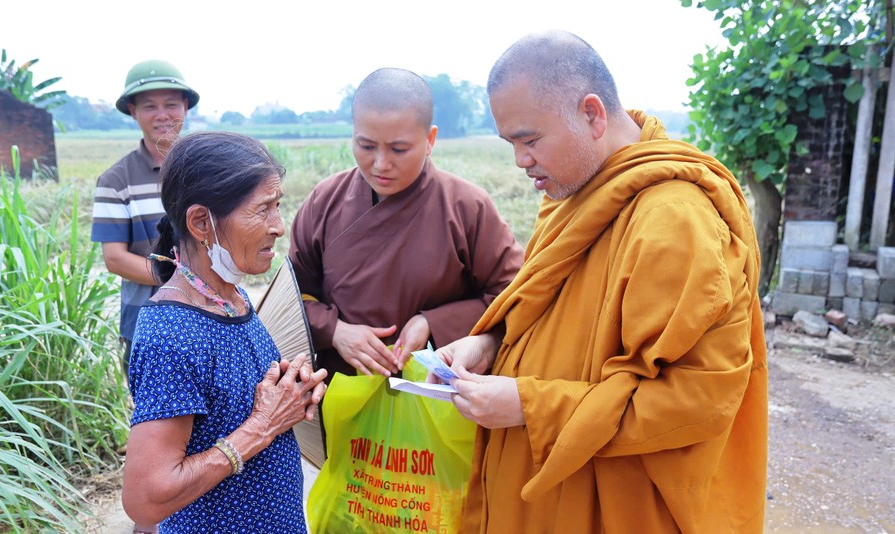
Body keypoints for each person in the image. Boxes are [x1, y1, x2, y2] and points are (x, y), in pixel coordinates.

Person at [435, 30, 769, 533]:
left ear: (592, 114)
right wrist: (491, 341)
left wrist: (529, 405)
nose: (520, 160)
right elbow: (554, 312)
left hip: (618, 507)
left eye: (530, 140)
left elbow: (696, 399)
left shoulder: (674, 220)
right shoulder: (574, 194)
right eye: (511, 143)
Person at [121, 131, 328, 533]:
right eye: (263, 210)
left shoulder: (231, 298)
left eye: (278, 206)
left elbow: (229, 409)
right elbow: (145, 499)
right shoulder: (172, 333)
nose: (279, 226)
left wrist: (291, 395)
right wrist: (262, 426)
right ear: (201, 222)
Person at [289, 67, 524, 379]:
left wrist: (434, 324)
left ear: (430, 140)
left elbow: (514, 296)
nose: (381, 164)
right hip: (339, 393)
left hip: (436, 397)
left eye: (399, 149)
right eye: (366, 146)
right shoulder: (325, 201)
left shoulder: (468, 207)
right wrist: (334, 330)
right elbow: (291, 298)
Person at [90, 59, 198, 372]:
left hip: (211, 315)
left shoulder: (207, 169)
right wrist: (184, 282)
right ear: (133, 111)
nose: (162, 115)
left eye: (171, 104)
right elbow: (115, 259)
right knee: (155, 419)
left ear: (186, 107)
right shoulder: (116, 180)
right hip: (145, 320)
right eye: (150, 106)